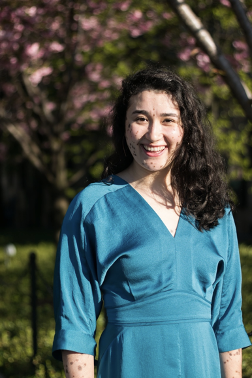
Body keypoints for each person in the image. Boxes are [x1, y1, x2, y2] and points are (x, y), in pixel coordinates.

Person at [52, 67, 251, 378]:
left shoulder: (215, 209)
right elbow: (75, 324)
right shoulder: (92, 207)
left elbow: (228, 324)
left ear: (187, 129)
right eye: (141, 118)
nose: (153, 135)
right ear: (124, 125)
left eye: (168, 120)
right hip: (127, 364)